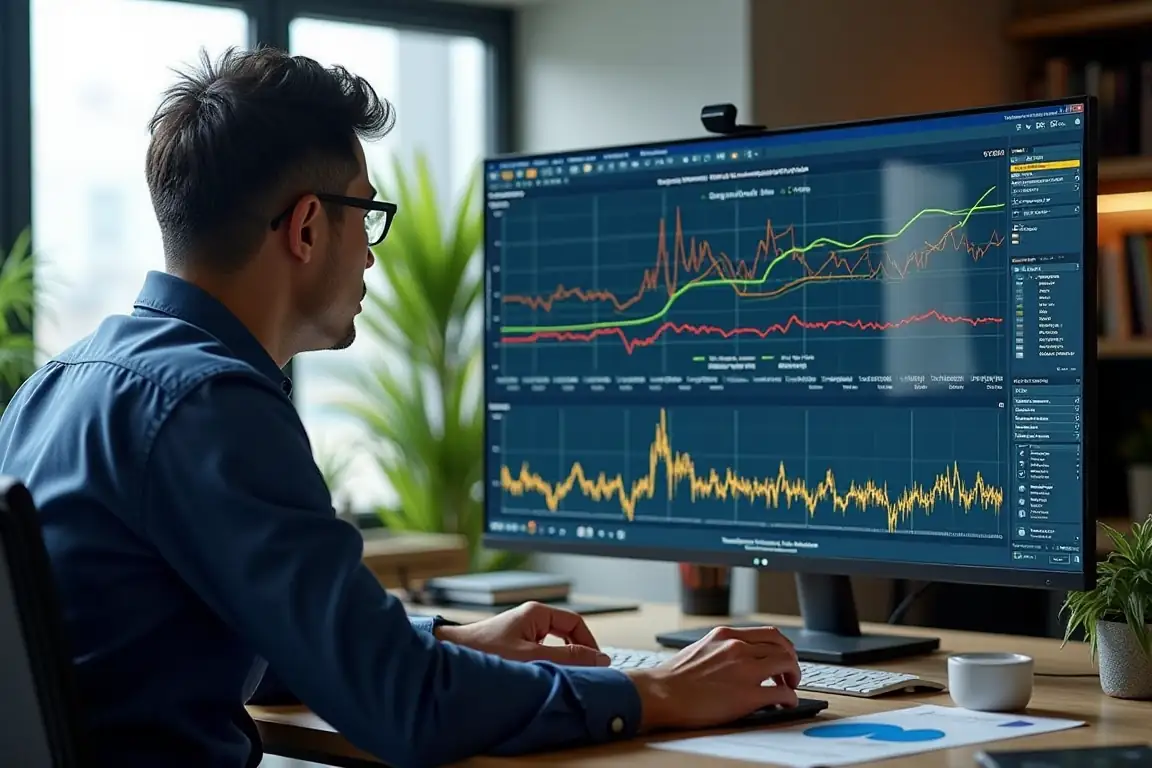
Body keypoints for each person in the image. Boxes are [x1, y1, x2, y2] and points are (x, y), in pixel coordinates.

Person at [0, 46, 802, 768]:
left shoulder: (61, 383)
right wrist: (656, 692)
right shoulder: (210, 404)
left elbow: (238, 639)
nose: (370, 254)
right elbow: (404, 708)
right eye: (366, 213)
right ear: (307, 228)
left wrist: (449, 640)